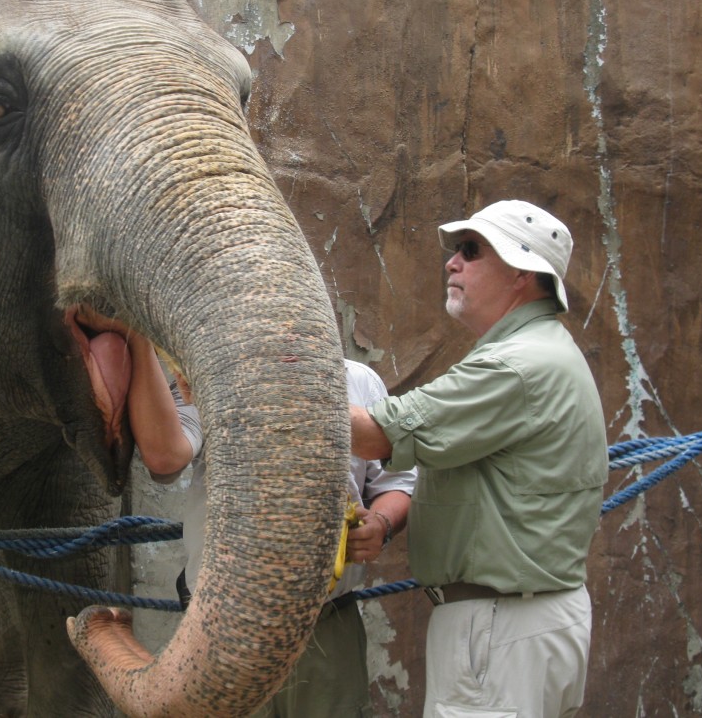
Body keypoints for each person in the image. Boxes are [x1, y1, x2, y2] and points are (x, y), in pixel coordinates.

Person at [86, 309, 416, 718]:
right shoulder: (214, 377)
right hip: (222, 622)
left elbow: (398, 485)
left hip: (325, 622)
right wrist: (138, 338)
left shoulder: (358, 381)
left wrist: (380, 523)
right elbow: (165, 455)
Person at [349, 199, 608, 718]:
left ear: (521, 272)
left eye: (470, 251)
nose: (452, 263)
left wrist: (261, 374)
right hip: (525, 624)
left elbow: (375, 436)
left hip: (502, 630)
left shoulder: (515, 365)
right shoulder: (542, 349)